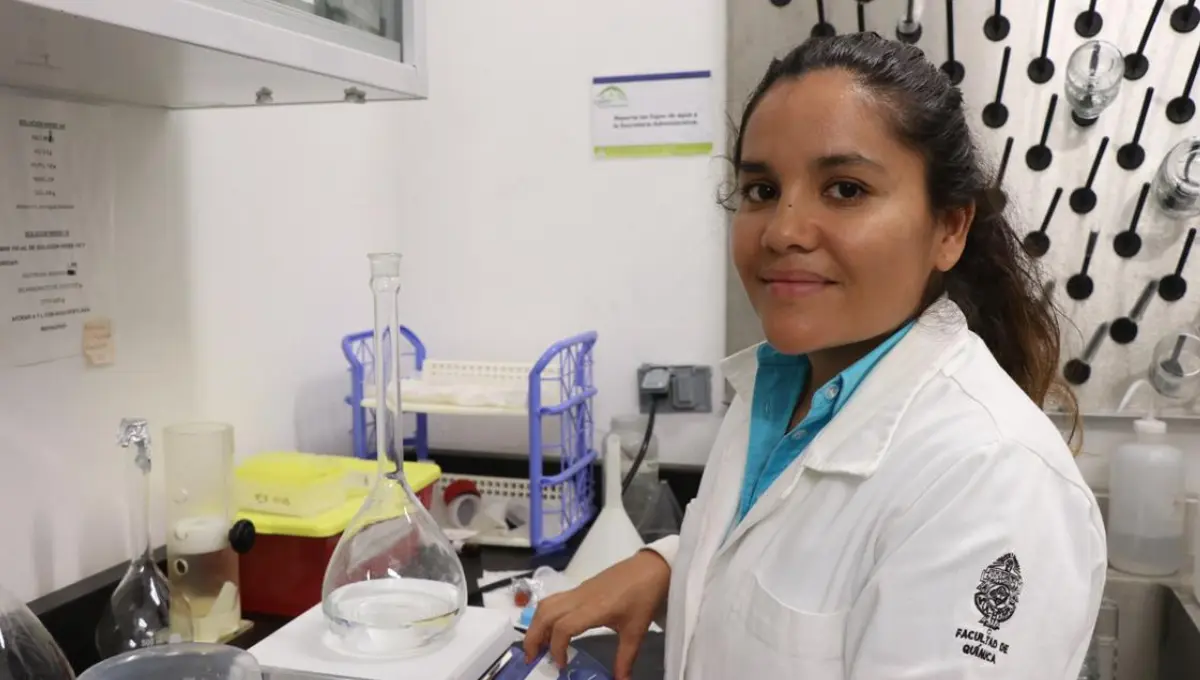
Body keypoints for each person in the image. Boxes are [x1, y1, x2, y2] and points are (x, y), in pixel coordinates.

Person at [523, 32, 1107, 680]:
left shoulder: (992, 481)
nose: (781, 231)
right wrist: (665, 565)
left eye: (846, 189)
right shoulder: (783, 389)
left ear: (949, 228)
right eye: (761, 191)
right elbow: (786, 550)